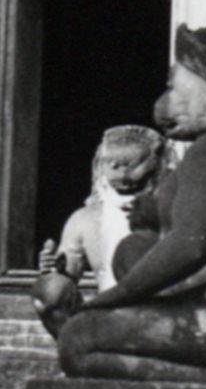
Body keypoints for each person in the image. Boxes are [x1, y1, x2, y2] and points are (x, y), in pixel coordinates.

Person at [55, 21, 206, 385]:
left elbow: (189, 245)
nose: (166, 101)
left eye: (175, 87)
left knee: (77, 338)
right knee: (133, 251)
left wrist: (114, 296)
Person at [34, 124, 164, 341]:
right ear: (99, 165)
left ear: (157, 165)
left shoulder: (170, 213)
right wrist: (52, 270)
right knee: (50, 290)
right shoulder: (85, 219)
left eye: (133, 163)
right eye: (113, 164)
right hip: (106, 316)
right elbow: (66, 277)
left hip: (157, 316)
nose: (122, 171)